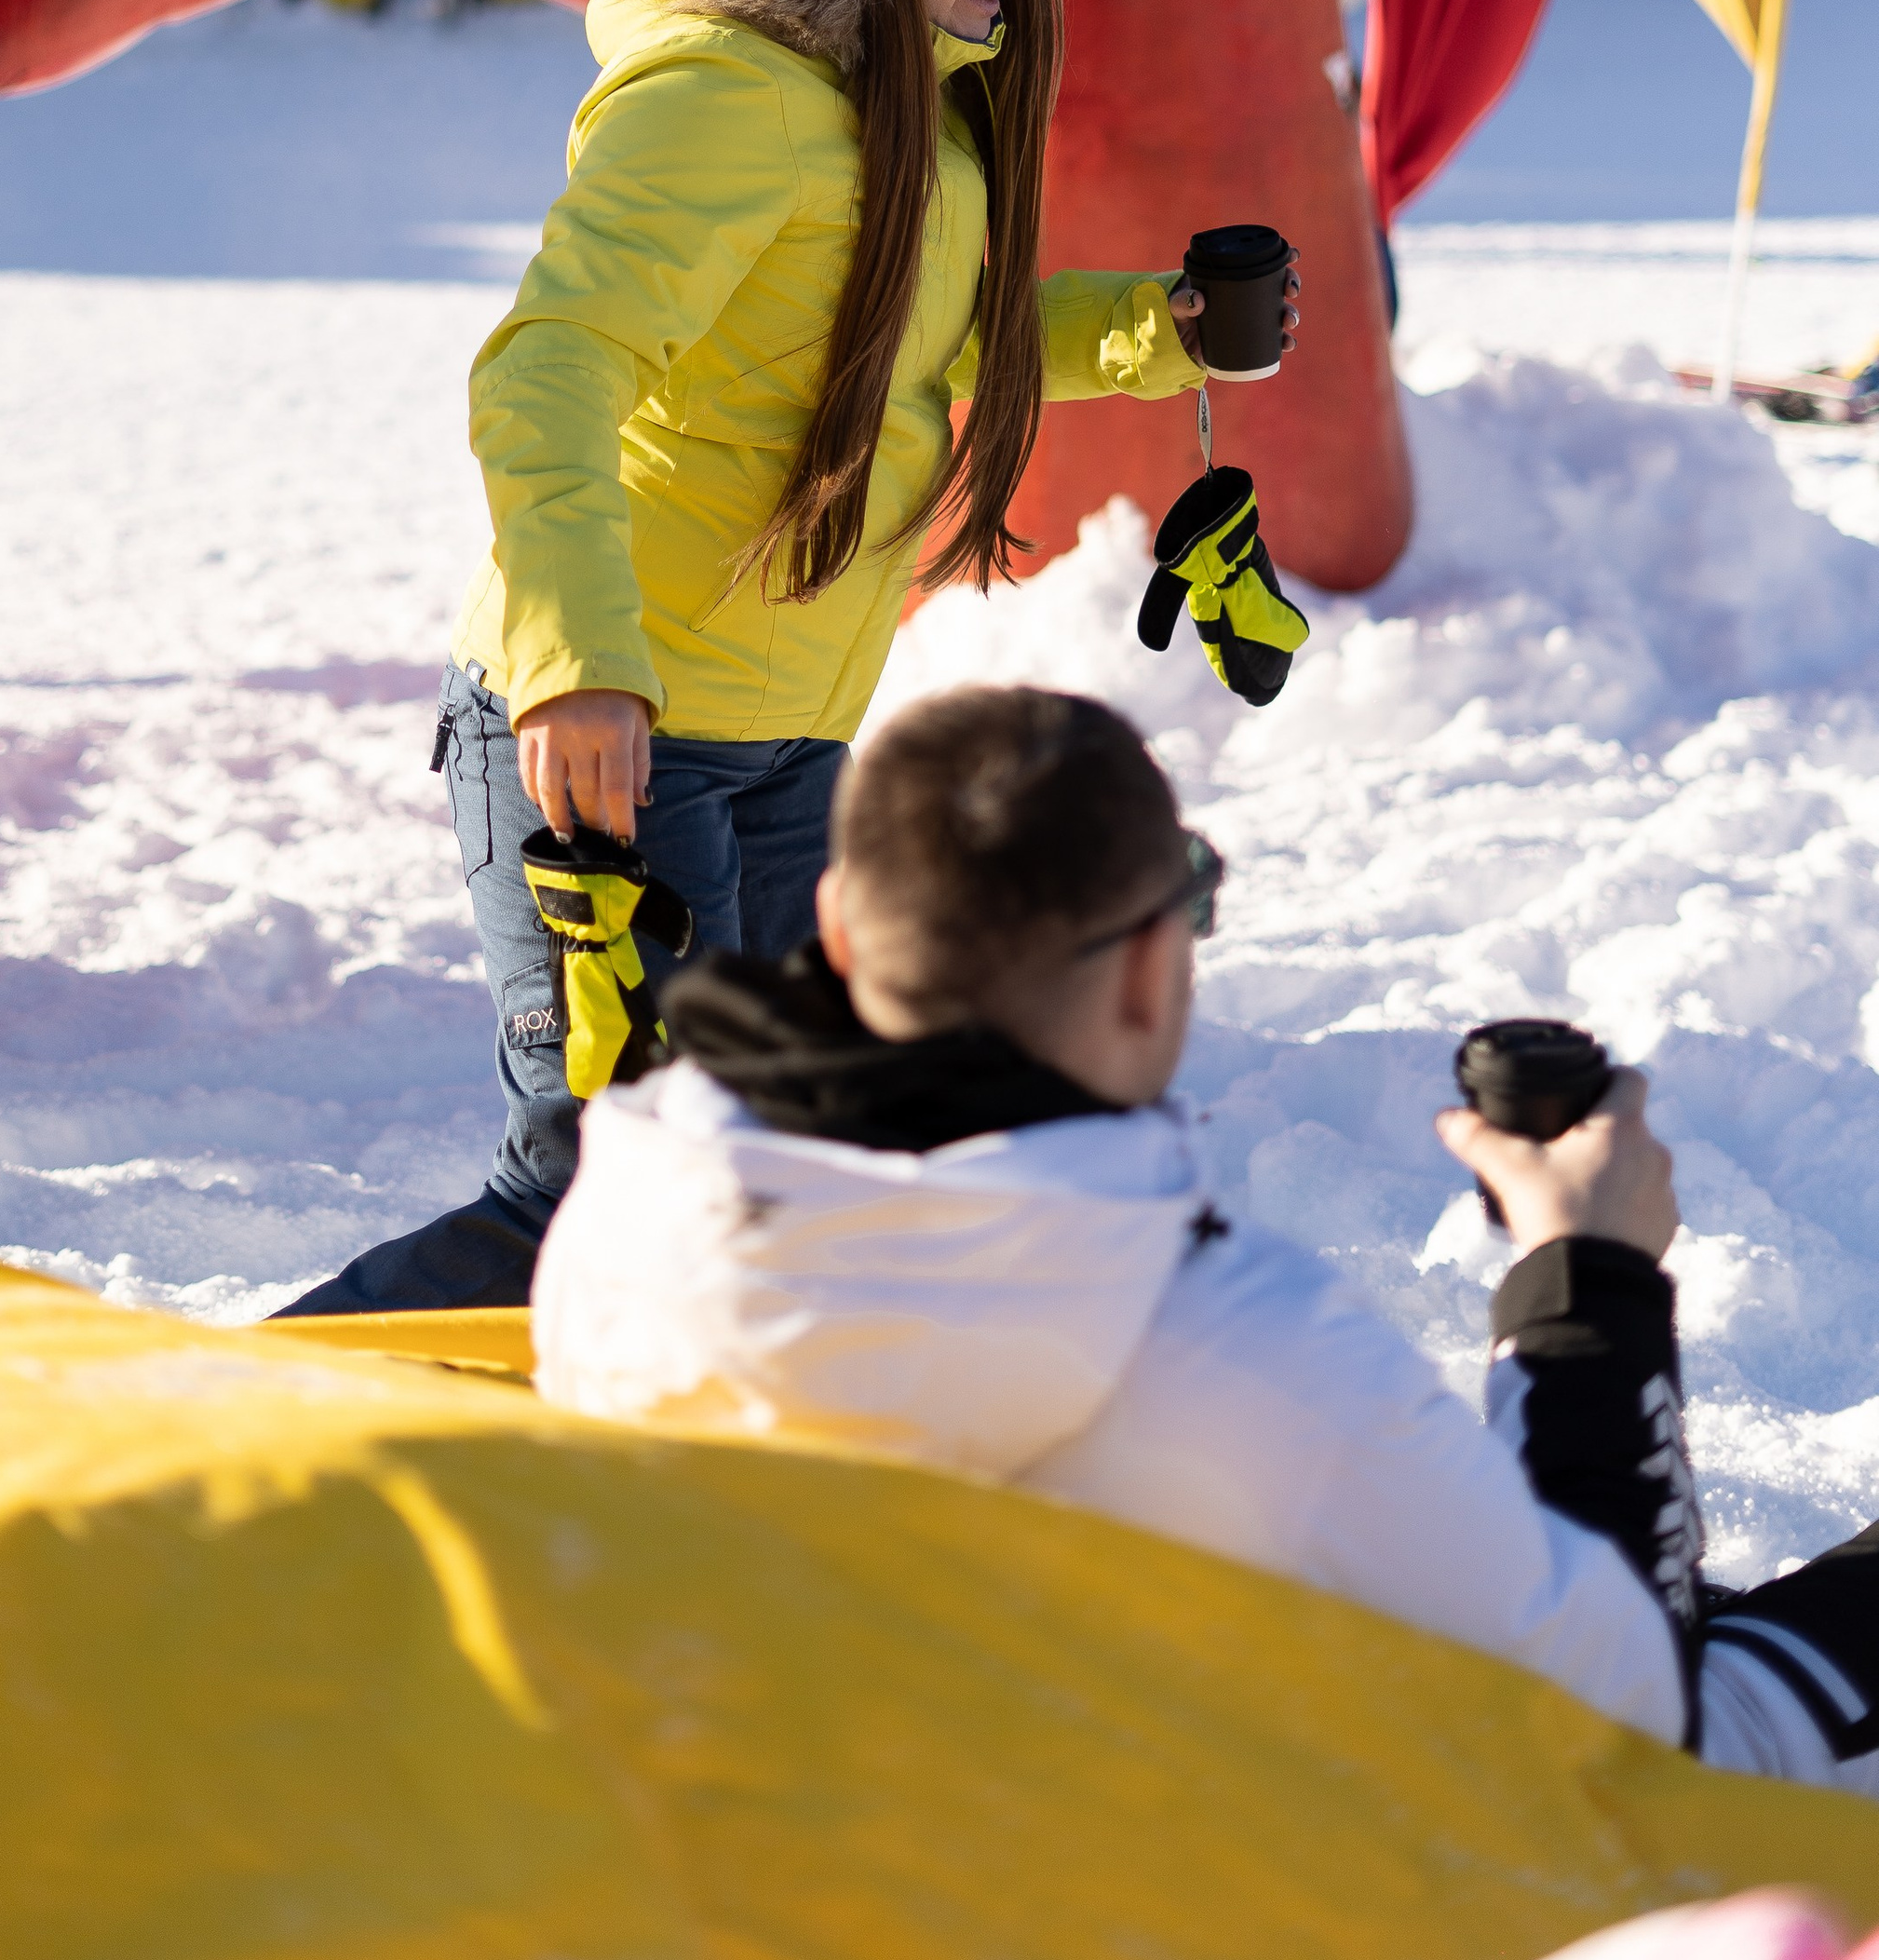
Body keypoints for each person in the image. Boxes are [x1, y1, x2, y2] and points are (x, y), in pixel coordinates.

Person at [283, 0, 1286, 1316]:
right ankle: (243, 1422)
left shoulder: (919, 104)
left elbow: (917, 339)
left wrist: (1159, 326)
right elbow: (549, 370)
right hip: (620, 732)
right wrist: (577, 669)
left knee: (769, 1168)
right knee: (600, 1196)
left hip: (788, 738)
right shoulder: (726, 97)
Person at [535, 685, 1879, 1796]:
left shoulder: (629, 1222)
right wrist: (1588, 1284)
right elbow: (1627, 1730)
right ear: (1147, 969)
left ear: (837, 922)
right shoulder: (1235, 1357)